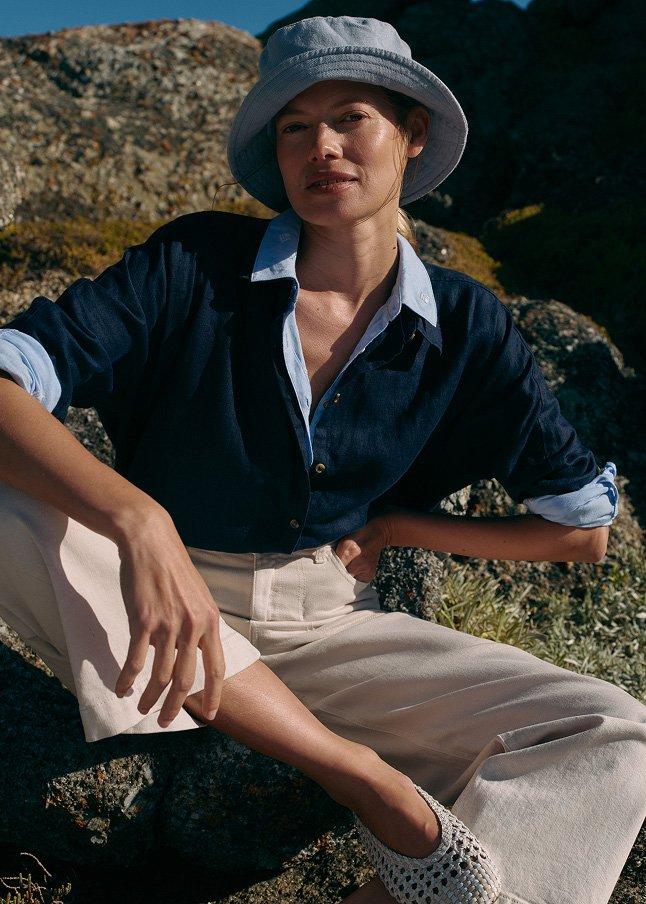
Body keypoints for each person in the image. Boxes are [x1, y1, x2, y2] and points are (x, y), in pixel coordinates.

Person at [0, 14, 642, 904]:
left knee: (613, 732)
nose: (322, 148)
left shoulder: (466, 323)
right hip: (147, 605)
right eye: (295, 127)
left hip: (330, 623)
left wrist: (401, 525)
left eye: (351, 119)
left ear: (412, 136)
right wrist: (136, 521)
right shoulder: (196, 261)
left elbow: (582, 531)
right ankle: (361, 778)